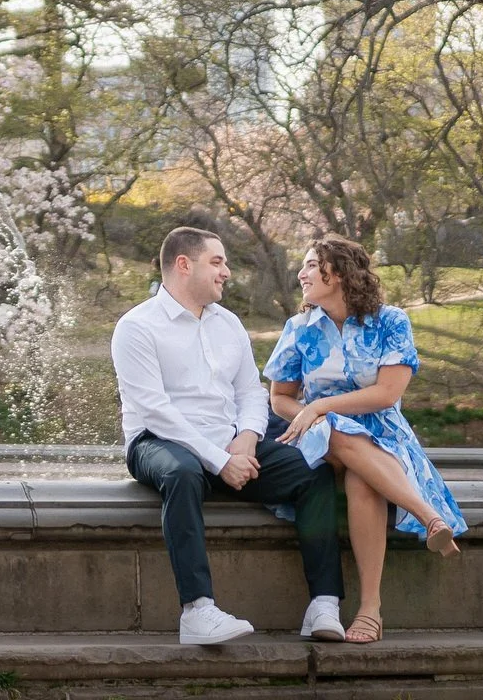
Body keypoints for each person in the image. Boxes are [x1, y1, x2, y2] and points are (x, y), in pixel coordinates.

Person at [112, 226, 347, 646]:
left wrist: (248, 437)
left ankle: (323, 605)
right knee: (183, 474)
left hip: (229, 440)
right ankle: (198, 611)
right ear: (184, 265)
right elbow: (155, 411)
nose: (227, 272)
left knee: (313, 472)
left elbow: (249, 392)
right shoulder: (137, 327)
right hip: (158, 441)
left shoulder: (229, 323)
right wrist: (220, 461)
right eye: (217, 262)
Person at [265, 232, 467, 645]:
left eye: (309, 264)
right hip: (321, 439)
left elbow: (387, 394)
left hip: (385, 437)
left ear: (336, 272)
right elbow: (279, 398)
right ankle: (428, 515)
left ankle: (369, 609)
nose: (301, 273)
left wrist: (321, 405)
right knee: (335, 429)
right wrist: (311, 413)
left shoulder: (390, 321)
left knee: (362, 479)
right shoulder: (299, 328)